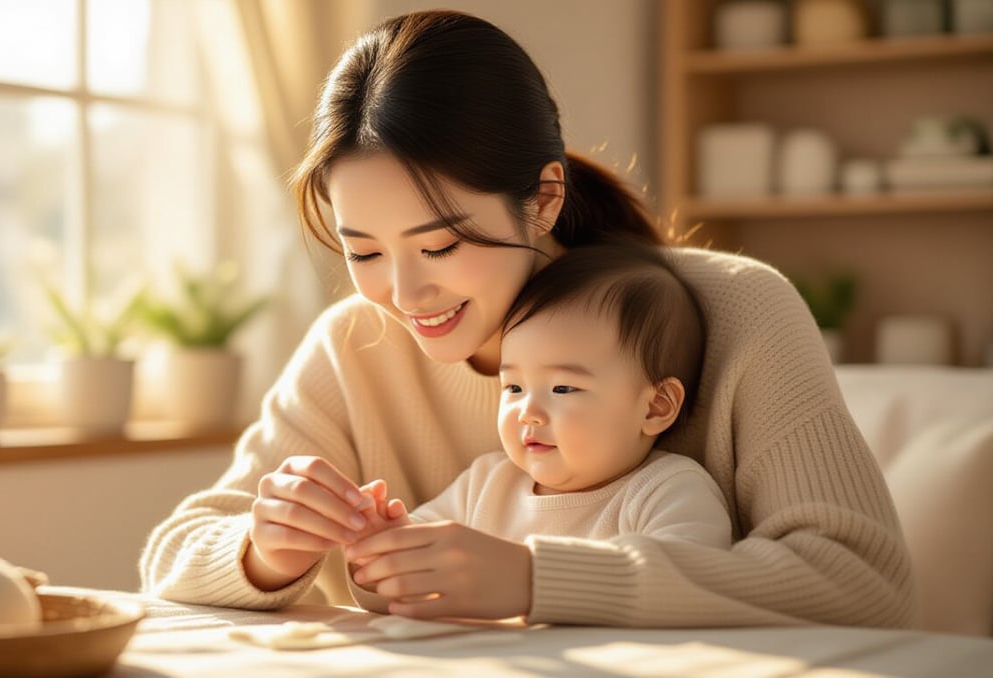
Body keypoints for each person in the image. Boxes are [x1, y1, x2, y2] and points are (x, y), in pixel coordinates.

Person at [140, 9, 914, 627]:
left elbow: (858, 580)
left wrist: (540, 578)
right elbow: (169, 556)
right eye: (364, 252)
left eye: (439, 244)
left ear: (544, 199)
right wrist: (261, 549)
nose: (404, 296)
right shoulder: (353, 346)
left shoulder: (739, 307)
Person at [343, 242, 734, 615]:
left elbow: (693, 584)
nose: (527, 412)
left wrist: (539, 577)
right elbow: (415, 577)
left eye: (563, 388)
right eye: (513, 387)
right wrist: (383, 547)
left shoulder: (667, 490)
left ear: (656, 406)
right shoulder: (487, 484)